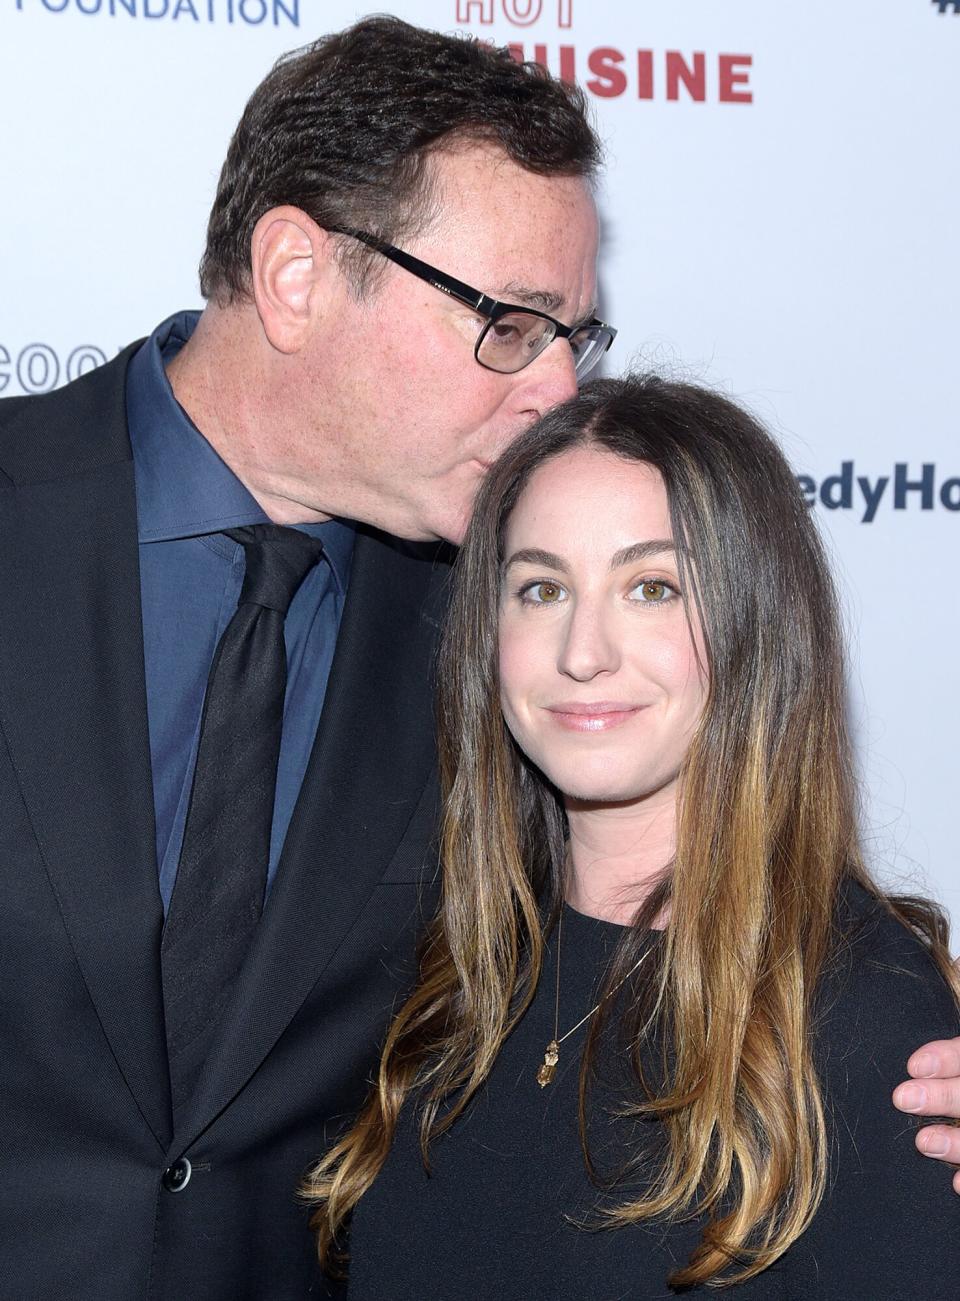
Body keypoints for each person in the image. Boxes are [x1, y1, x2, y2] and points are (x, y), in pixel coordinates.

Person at [0, 18, 608, 1300]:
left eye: (572, 335)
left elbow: (680, 903)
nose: (553, 388)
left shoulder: (517, 618)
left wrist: (888, 1054)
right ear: (294, 274)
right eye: (510, 321)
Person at [305, 375, 960, 1298]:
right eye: (540, 588)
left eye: (651, 586)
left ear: (755, 627)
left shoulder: (868, 1018)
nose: (582, 650)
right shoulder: (449, 967)